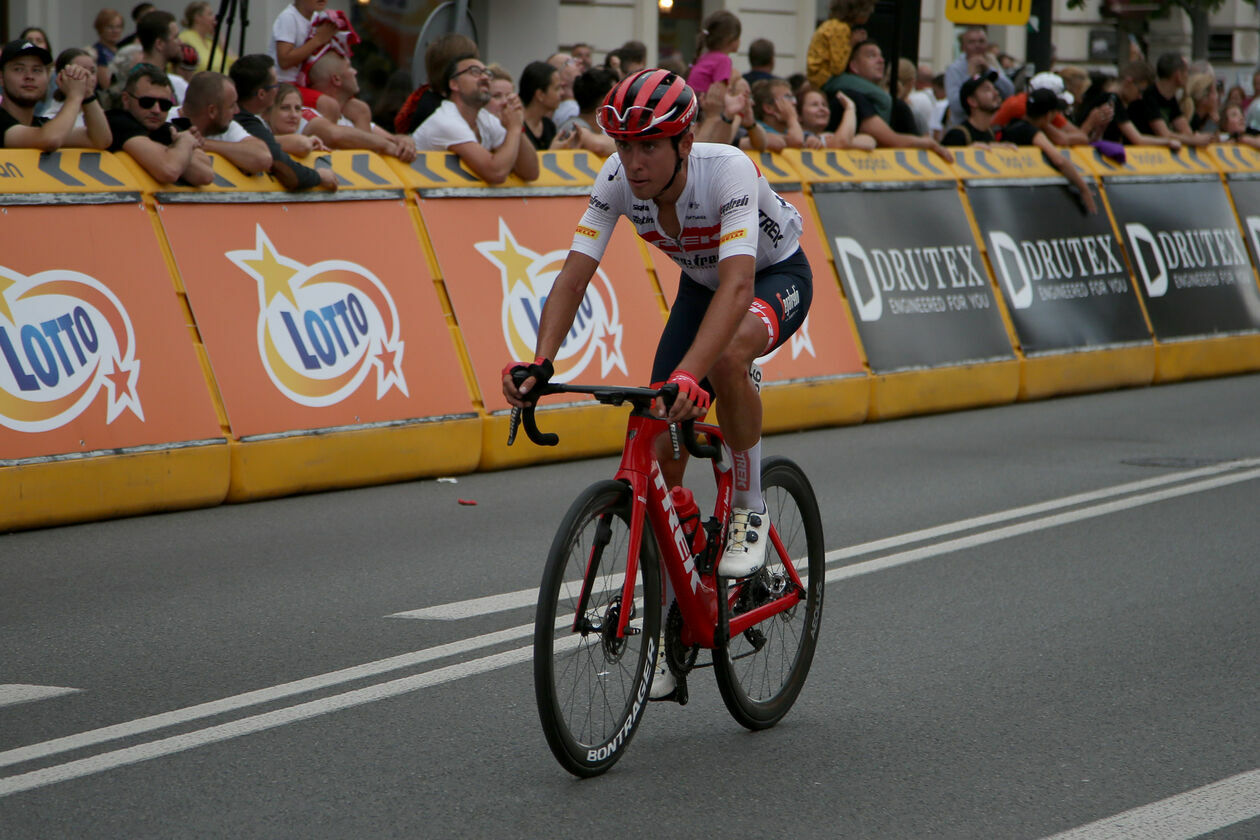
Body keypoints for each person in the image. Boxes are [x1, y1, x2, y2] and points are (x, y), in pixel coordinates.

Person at [502, 71, 813, 704]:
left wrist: (687, 376)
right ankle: (678, 614)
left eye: (649, 147)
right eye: (623, 146)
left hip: (771, 277)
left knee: (724, 362)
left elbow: (736, 286)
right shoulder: (616, 181)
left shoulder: (725, 171)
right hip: (702, 289)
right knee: (654, 435)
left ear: (684, 141)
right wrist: (539, 361)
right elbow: (573, 275)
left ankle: (750, 507)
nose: (634, 163)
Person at [411, 53, 538, 183]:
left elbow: (531, 172)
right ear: (454, 84)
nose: (484, 77)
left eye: (487, 73)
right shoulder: (446, 121)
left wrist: (517, 126)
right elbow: (496, 173)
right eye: (474, 72)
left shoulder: (485, 118)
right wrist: (514, 130)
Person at [230, 54, 335, 191]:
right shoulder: (245, 122)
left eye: (298, 109)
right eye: (276, 85)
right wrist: (319, 176)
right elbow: (290, 174)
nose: (278, 89)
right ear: (262, 94)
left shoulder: (234, 115)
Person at [840, 41, 953, 161]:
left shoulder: (897, 105)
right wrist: (929, 143)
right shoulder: (850, 94)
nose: (880, 60)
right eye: (871, 56)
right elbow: (891, 139)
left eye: (881, 56)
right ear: (853, 65)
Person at [106, 62, 213, 184]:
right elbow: (169, 171)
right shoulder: (117, 122)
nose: (156, 110)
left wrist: (174, 152)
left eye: (164, 105)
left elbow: (206, 175)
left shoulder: (169, 129)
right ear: (126, 99)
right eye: (147, 102)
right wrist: (185, 143)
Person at [997, 89, 1097, 214]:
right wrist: (1084, 189)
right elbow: (1059, 160)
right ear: (1049, 115)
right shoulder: (1031, 132)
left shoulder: (1013, 125)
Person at [0, 39, 110, 150]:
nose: (29, 76)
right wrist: (74, 96)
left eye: (37, 70)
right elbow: (50, 139)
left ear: (47, 77)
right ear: (1, 77)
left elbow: (100, 140)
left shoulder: (42, 125)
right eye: (18, 69)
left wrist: (87, 94)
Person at [176, 71, 272, 174]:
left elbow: (263, 157)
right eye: (232, 106)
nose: (237, 111)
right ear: (212, 111)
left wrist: (205, 144)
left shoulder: (227, 126)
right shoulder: (164, 121)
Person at [1128, 53, 1212, 147]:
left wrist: (1197, 137)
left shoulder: (1171, 98)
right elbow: (1164, 134)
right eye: (1186, 72)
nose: (1188, 77)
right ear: (1178, 75)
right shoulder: (1149, 95)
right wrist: (1192, 140)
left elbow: (1184, 129)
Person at [945, 26, 1015, 127]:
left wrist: (990, 71)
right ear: (963, 47)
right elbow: (956, 106)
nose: (977, 45)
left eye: (981, 41)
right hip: (963, 128)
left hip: (990, 127)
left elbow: (1010, 92)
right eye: (971, 42)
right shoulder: (954, 69)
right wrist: (970, 77)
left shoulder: (991, 64)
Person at [553, 65, 617, 156]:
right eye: (614, 95)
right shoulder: (573, 126)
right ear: (604, 101)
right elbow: (598, 146)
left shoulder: (601, 130)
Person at [687, 9, 741, 101]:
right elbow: (719, 96)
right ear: (731, 37)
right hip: (703, 109)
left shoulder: (705, 57)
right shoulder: (723, 60)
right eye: (738, 36)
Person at [137, 10, 189, 103]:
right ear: (160, 44)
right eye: (176, 37)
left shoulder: (133, 77)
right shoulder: (140, 84)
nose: (180, 42)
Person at [267, 83, 329, 157]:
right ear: (267, 112)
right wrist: (307, 142)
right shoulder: (255, 125)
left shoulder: (301, 121)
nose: (294, 115)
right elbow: (303, 145)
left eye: (297, 108)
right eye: (285, 108)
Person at [941, 71, 1002, 147]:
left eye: (994, 88)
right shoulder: (957, 136)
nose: (996, 93)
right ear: (972, 101)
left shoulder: (990, 133)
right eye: (987, 90)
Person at [749, 77, 804, 150]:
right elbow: (797, 141)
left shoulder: (790, 129)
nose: (794, 102)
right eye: (787, 97)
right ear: (768, 108)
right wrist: (792, 118)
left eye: (793, 98)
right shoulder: (756, 129)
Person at [181, 1, 235, 73]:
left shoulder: (211, 42)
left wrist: (219, 36)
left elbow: (233, 63)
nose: (214, 18)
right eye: (210, 14)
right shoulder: (185, 38)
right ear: (197, 17)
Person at [519, 60, 561, 151]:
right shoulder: (517, 127)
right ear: (540, 95)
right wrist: (552, 152)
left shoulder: (549, 126)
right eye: (557, 89)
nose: (562, 93)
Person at [93, 8, 125, 89]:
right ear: (100, 28)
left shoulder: (122, 50)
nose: (115, 31)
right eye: (110, 27)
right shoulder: (98, 52)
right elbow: (107, 84)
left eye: (118, 27)